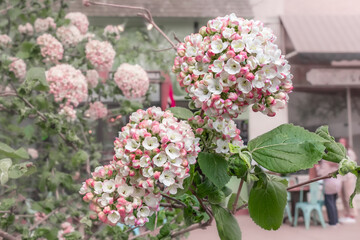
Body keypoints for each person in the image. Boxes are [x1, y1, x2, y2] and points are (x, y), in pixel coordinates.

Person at [338, 137, 358, 223]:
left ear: (346, 143)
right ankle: (347, 214)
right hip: (342, 178)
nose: (341, 144)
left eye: (342, 142)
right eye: (339, 142)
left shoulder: (349, 152)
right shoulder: (339, 152)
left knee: (349, 196)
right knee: (342, 196)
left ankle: (352, 215)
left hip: (349, 177)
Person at [315, 160, 341, 226]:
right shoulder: (334, 160)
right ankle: (336, 221)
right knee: (333, 203)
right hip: (337, 183)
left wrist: (317, 167)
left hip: (329, 184)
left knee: (329, 203)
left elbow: (321, 173)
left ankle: (332, 222)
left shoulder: (325, 161)